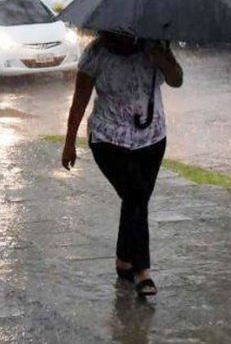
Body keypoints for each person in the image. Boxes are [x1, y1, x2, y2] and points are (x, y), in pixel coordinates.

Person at [61, 31, 183, 297]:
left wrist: (161, 57)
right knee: (136, 194)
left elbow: (176, 80)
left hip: (152, 139)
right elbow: (79, 101)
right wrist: (69, 142)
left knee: (136, 201)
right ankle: (142, 272)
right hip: (109, 141)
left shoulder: (153, 46)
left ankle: (123, 260)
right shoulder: (96, 54)